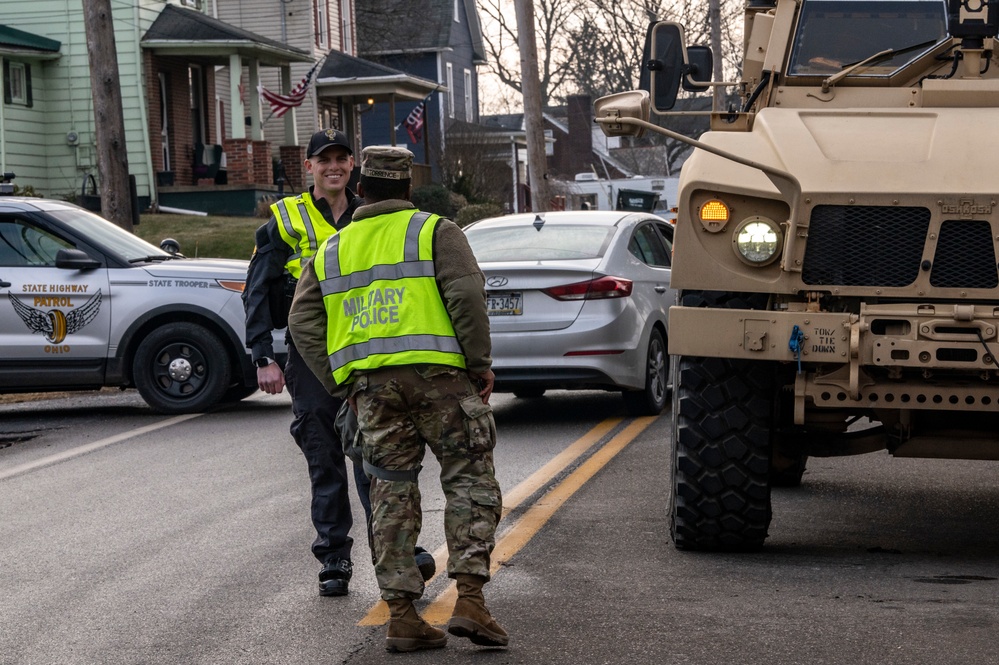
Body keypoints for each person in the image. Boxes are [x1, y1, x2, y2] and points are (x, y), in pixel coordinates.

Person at [288, 145, 509, 653]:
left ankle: (404, 616)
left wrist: (340, 379)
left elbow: (301, 321)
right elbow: (468, 296)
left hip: (371, 391)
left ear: (361, 188)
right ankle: (470, 599)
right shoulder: (436, 231)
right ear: (409, 189)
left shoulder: (332, 249)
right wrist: (478, 364)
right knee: (469, 480)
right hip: (441, 381)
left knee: (389, 492)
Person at [243, 129, 368, 597]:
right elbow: (257, 290)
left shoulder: (369, 213)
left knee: (378, 452)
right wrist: (263, 357)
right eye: (324, 160)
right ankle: (334, 557)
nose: (333, 166)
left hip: (364, 349)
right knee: (325, 454)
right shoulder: (285, 218)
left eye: (341, 158)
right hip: (310, 351)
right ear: (310, 167)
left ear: (352, 164)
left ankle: (394, 549)